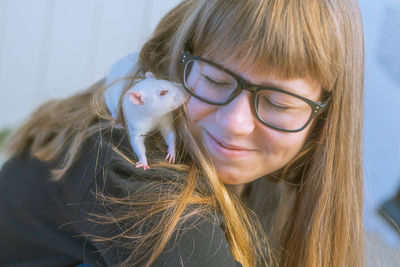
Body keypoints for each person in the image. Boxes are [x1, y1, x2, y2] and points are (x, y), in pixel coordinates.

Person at [0, 0, 365, 266]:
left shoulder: (269, 173)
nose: (234, 124)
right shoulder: (133, 178)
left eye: (279, 104)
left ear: (324, 117)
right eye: (214, 80)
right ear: (180, 60)